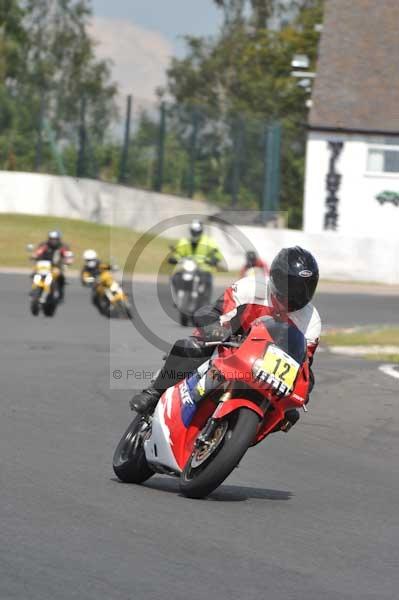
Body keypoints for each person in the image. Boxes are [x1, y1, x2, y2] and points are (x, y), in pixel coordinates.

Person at [131, 246, 321, 433]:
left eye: (304, 289)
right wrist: (213, 326)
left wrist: (304, 389)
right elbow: (216, 310)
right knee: (192, 347)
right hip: (229, 347)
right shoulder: (250, 287)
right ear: (276, 279)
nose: (296, 295)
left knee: (285, 414)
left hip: (265, 372)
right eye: (292, 286)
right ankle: (154, 393)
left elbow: (304, 364)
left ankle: (230, 440)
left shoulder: (311, 320)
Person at [169, 220, 223, 304]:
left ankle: (205, 302)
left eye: (197, 232)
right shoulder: (185, 241)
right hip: (188, 268)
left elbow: (217, 253)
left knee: (206, 281)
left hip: (203, 269)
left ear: (201, 231)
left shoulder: (208, 241)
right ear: (190, 231)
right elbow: (179, 253)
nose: (195, 233)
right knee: (176, 277)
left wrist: (214, 259)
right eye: (193, 231)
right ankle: (178, 297)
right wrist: (174, 259)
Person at [32, 231, 73, 301]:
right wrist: (34, 255)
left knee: (61, 277)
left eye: (55, 239)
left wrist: (68, 260)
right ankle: (35, 289)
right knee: (34, 273)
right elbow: (38, 252)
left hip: (56, 266)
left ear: (58, 239)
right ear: (49, 239)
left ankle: (59, 293)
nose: (53, 241)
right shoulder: (44, 245)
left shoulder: (62, 247)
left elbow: (67, 255)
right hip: (44, 265)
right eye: (52, 239)